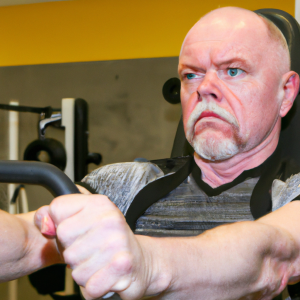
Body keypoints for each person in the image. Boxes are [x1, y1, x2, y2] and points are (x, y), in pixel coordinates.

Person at [33, 6, 300, 300]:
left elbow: (267, 253)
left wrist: (148, 264)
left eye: (233, 71)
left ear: (286, 92)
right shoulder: (125, 183)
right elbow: (24, 241)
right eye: (191, 75)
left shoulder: (292, 190)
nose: (206, 88)